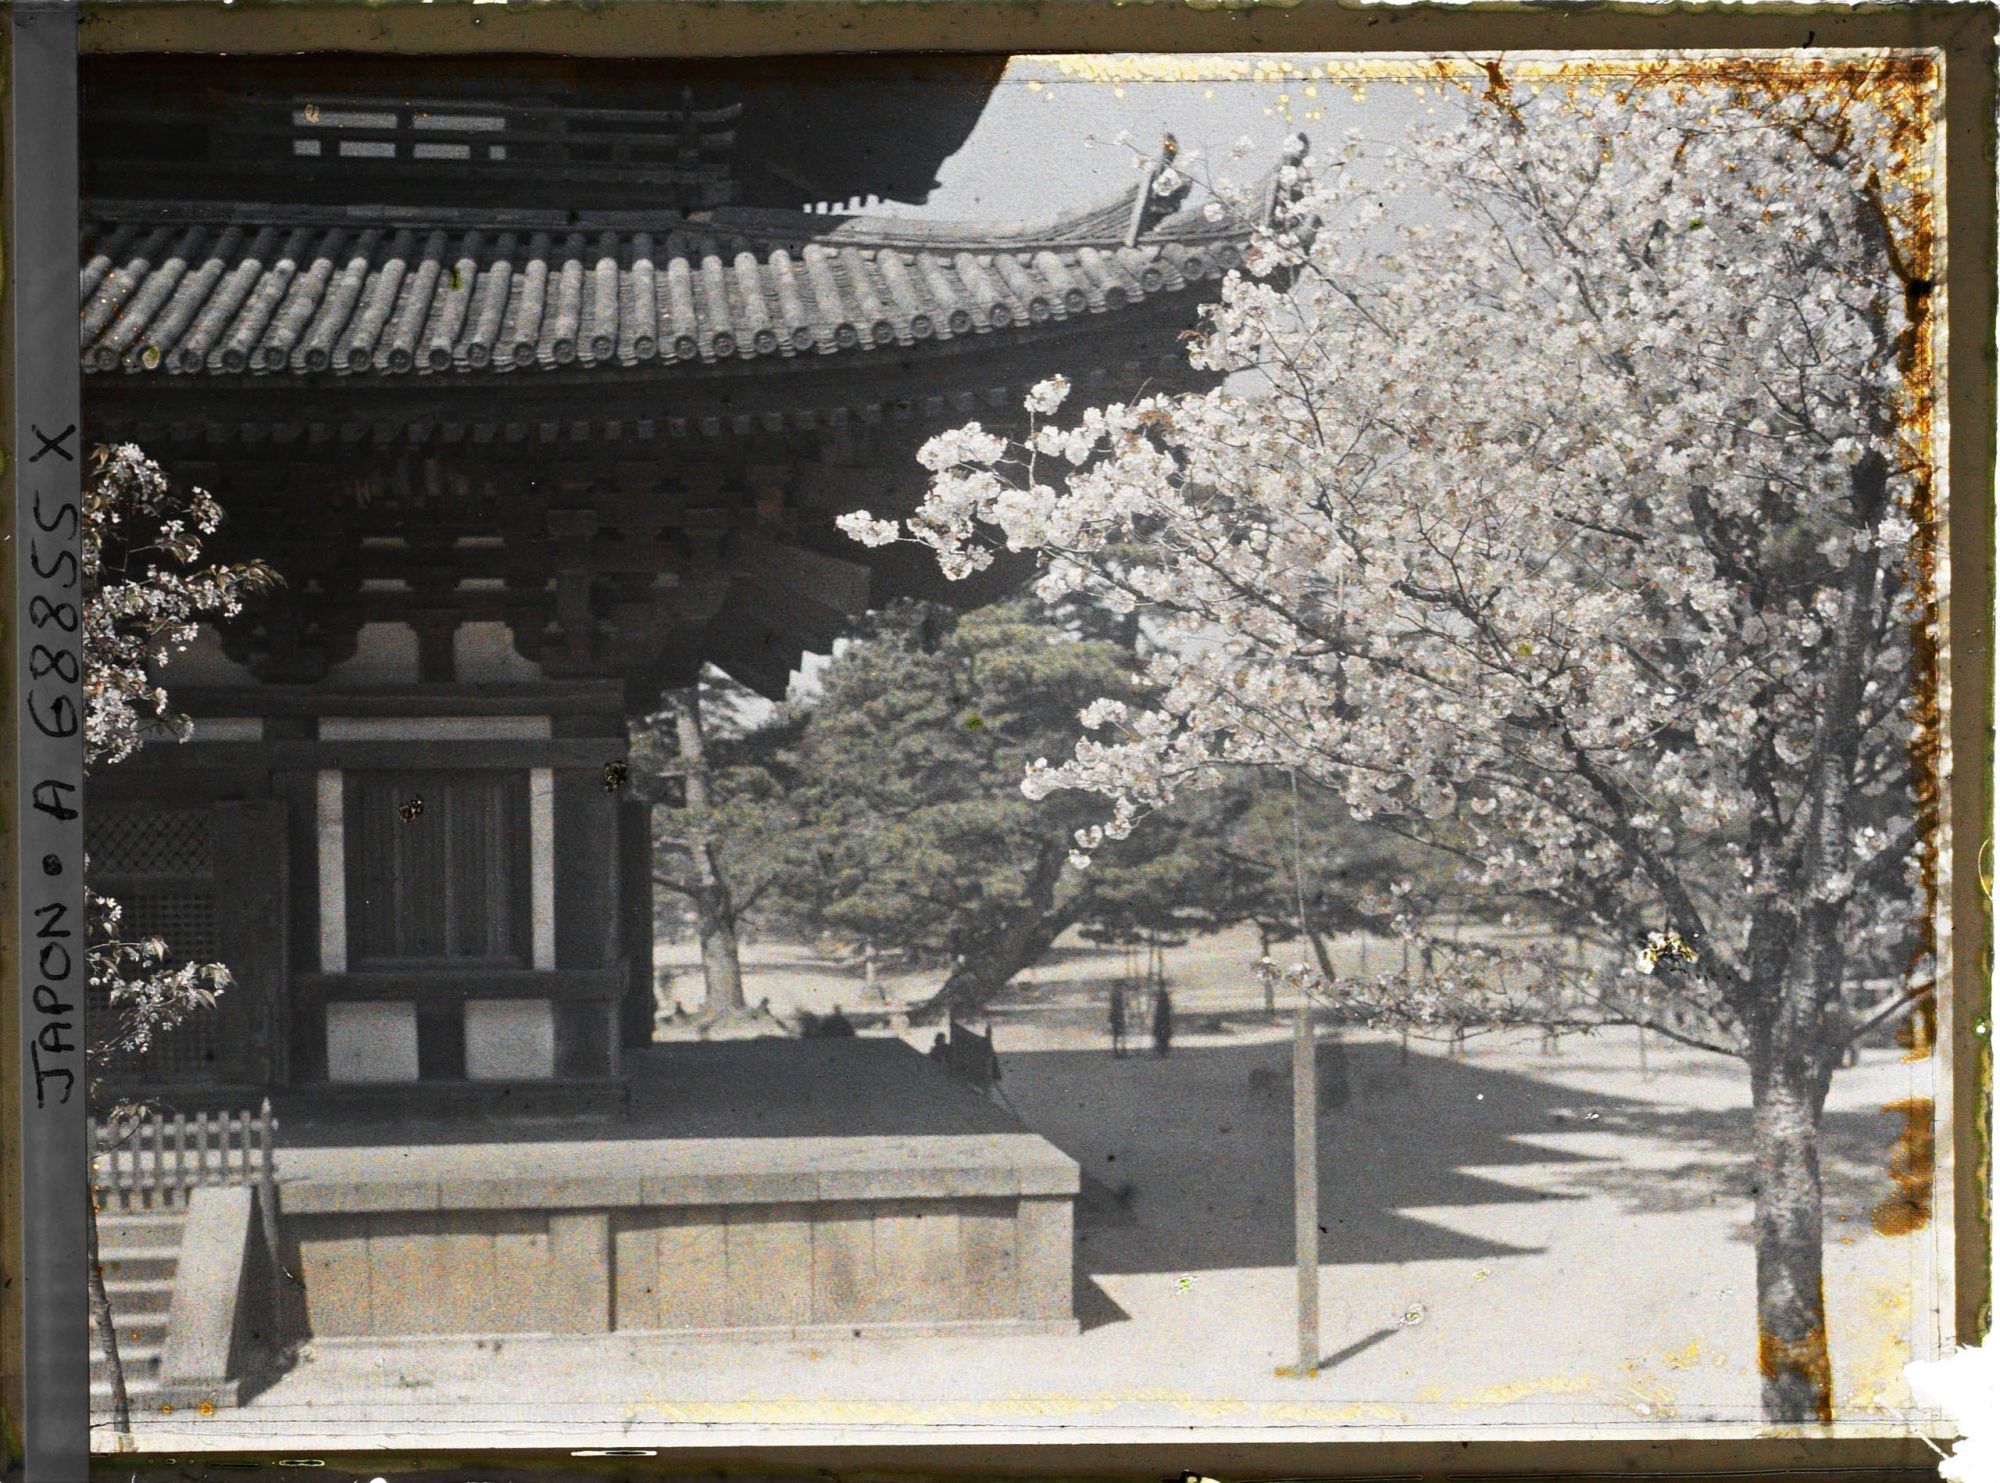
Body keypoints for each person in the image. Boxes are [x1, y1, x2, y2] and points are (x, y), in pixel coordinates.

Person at [1151, 984, 1174, 1059]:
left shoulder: (1161, 999)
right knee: (1163, 1036)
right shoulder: (1164, 998)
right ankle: (1163, 1052)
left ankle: (1161, 1052)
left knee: (1160, 1036)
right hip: (1164, 1019)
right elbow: (1169, 1008)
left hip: (1161, 1019)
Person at [1108, 982, 1129, 1058]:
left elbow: (1113, 1007)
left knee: (1116, 1035)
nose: (1122, 989)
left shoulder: (1113, 995)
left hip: (1115, 1017)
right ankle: (1122, 1050)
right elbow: (1120, 1007)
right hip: (1119, 1017)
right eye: (1121, 987)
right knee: (1121, 1034)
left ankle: (1116, 1050)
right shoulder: (1118, 995)